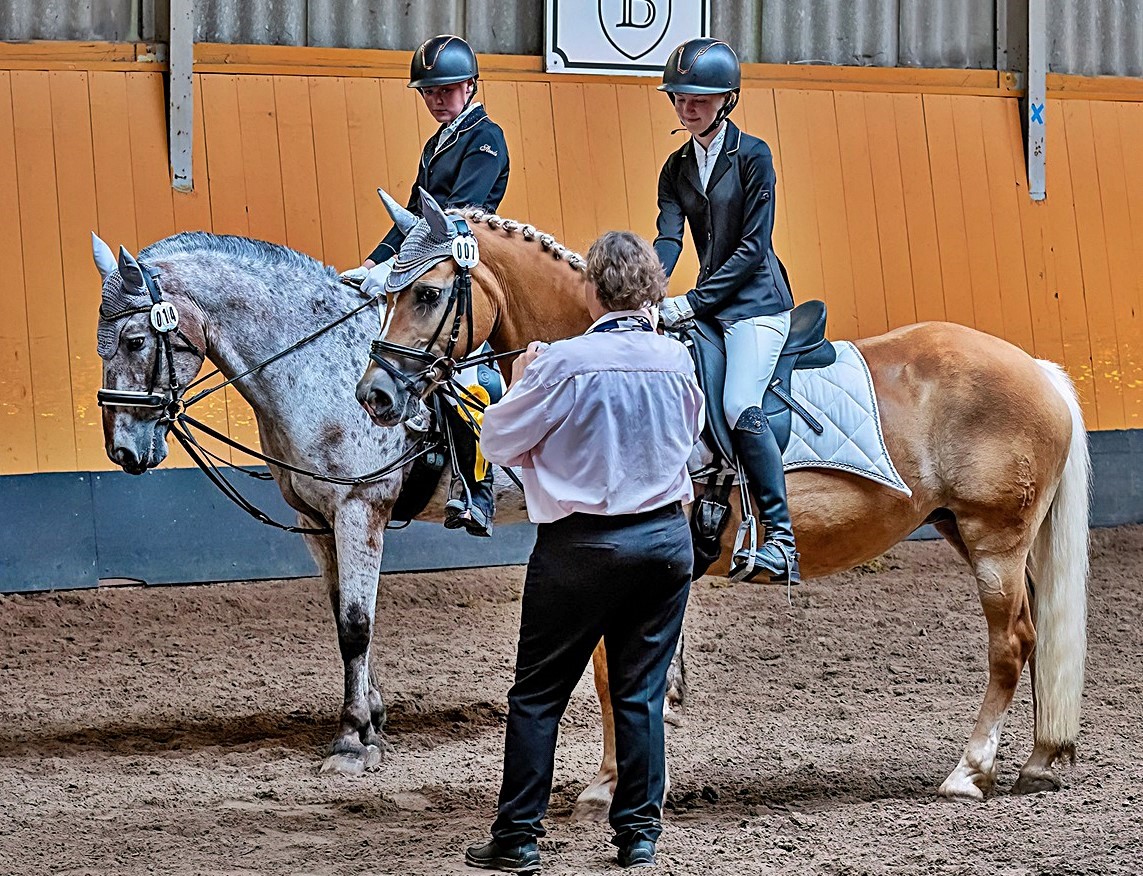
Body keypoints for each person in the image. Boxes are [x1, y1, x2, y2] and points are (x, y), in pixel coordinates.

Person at [464, 231, 704, 872]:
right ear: (650, 292)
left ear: (593, 291)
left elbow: (498, 440)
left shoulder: (560, 363)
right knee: (640, 695)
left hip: (580, 547)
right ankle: (639, 837)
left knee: (539, 694)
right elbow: (691, 440)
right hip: (662, 541)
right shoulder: (678, 361)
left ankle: (517, 837)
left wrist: (519, 380)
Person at [345, 33, 510, 536]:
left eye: (446, 90)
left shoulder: (486, 138)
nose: (437, 99)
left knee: (463, 378)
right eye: (430, 92)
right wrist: (371, 264)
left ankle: (478, 489)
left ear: (470, 86)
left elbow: (455, 216)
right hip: (430, 264)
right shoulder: (436, 143)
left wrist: (391, 267)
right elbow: (413, 215)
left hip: (464, 269)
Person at [654, 38, 800, 584]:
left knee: (740, 401)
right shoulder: (675, 168)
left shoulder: (754, 156)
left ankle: (781, 537)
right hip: (708, 305)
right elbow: (669, 239)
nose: (687, 108)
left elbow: (752, 248)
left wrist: (690, 302)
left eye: (699, 98)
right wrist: (647, 285)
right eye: (679, 98)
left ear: (727, 99)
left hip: (756, 304)